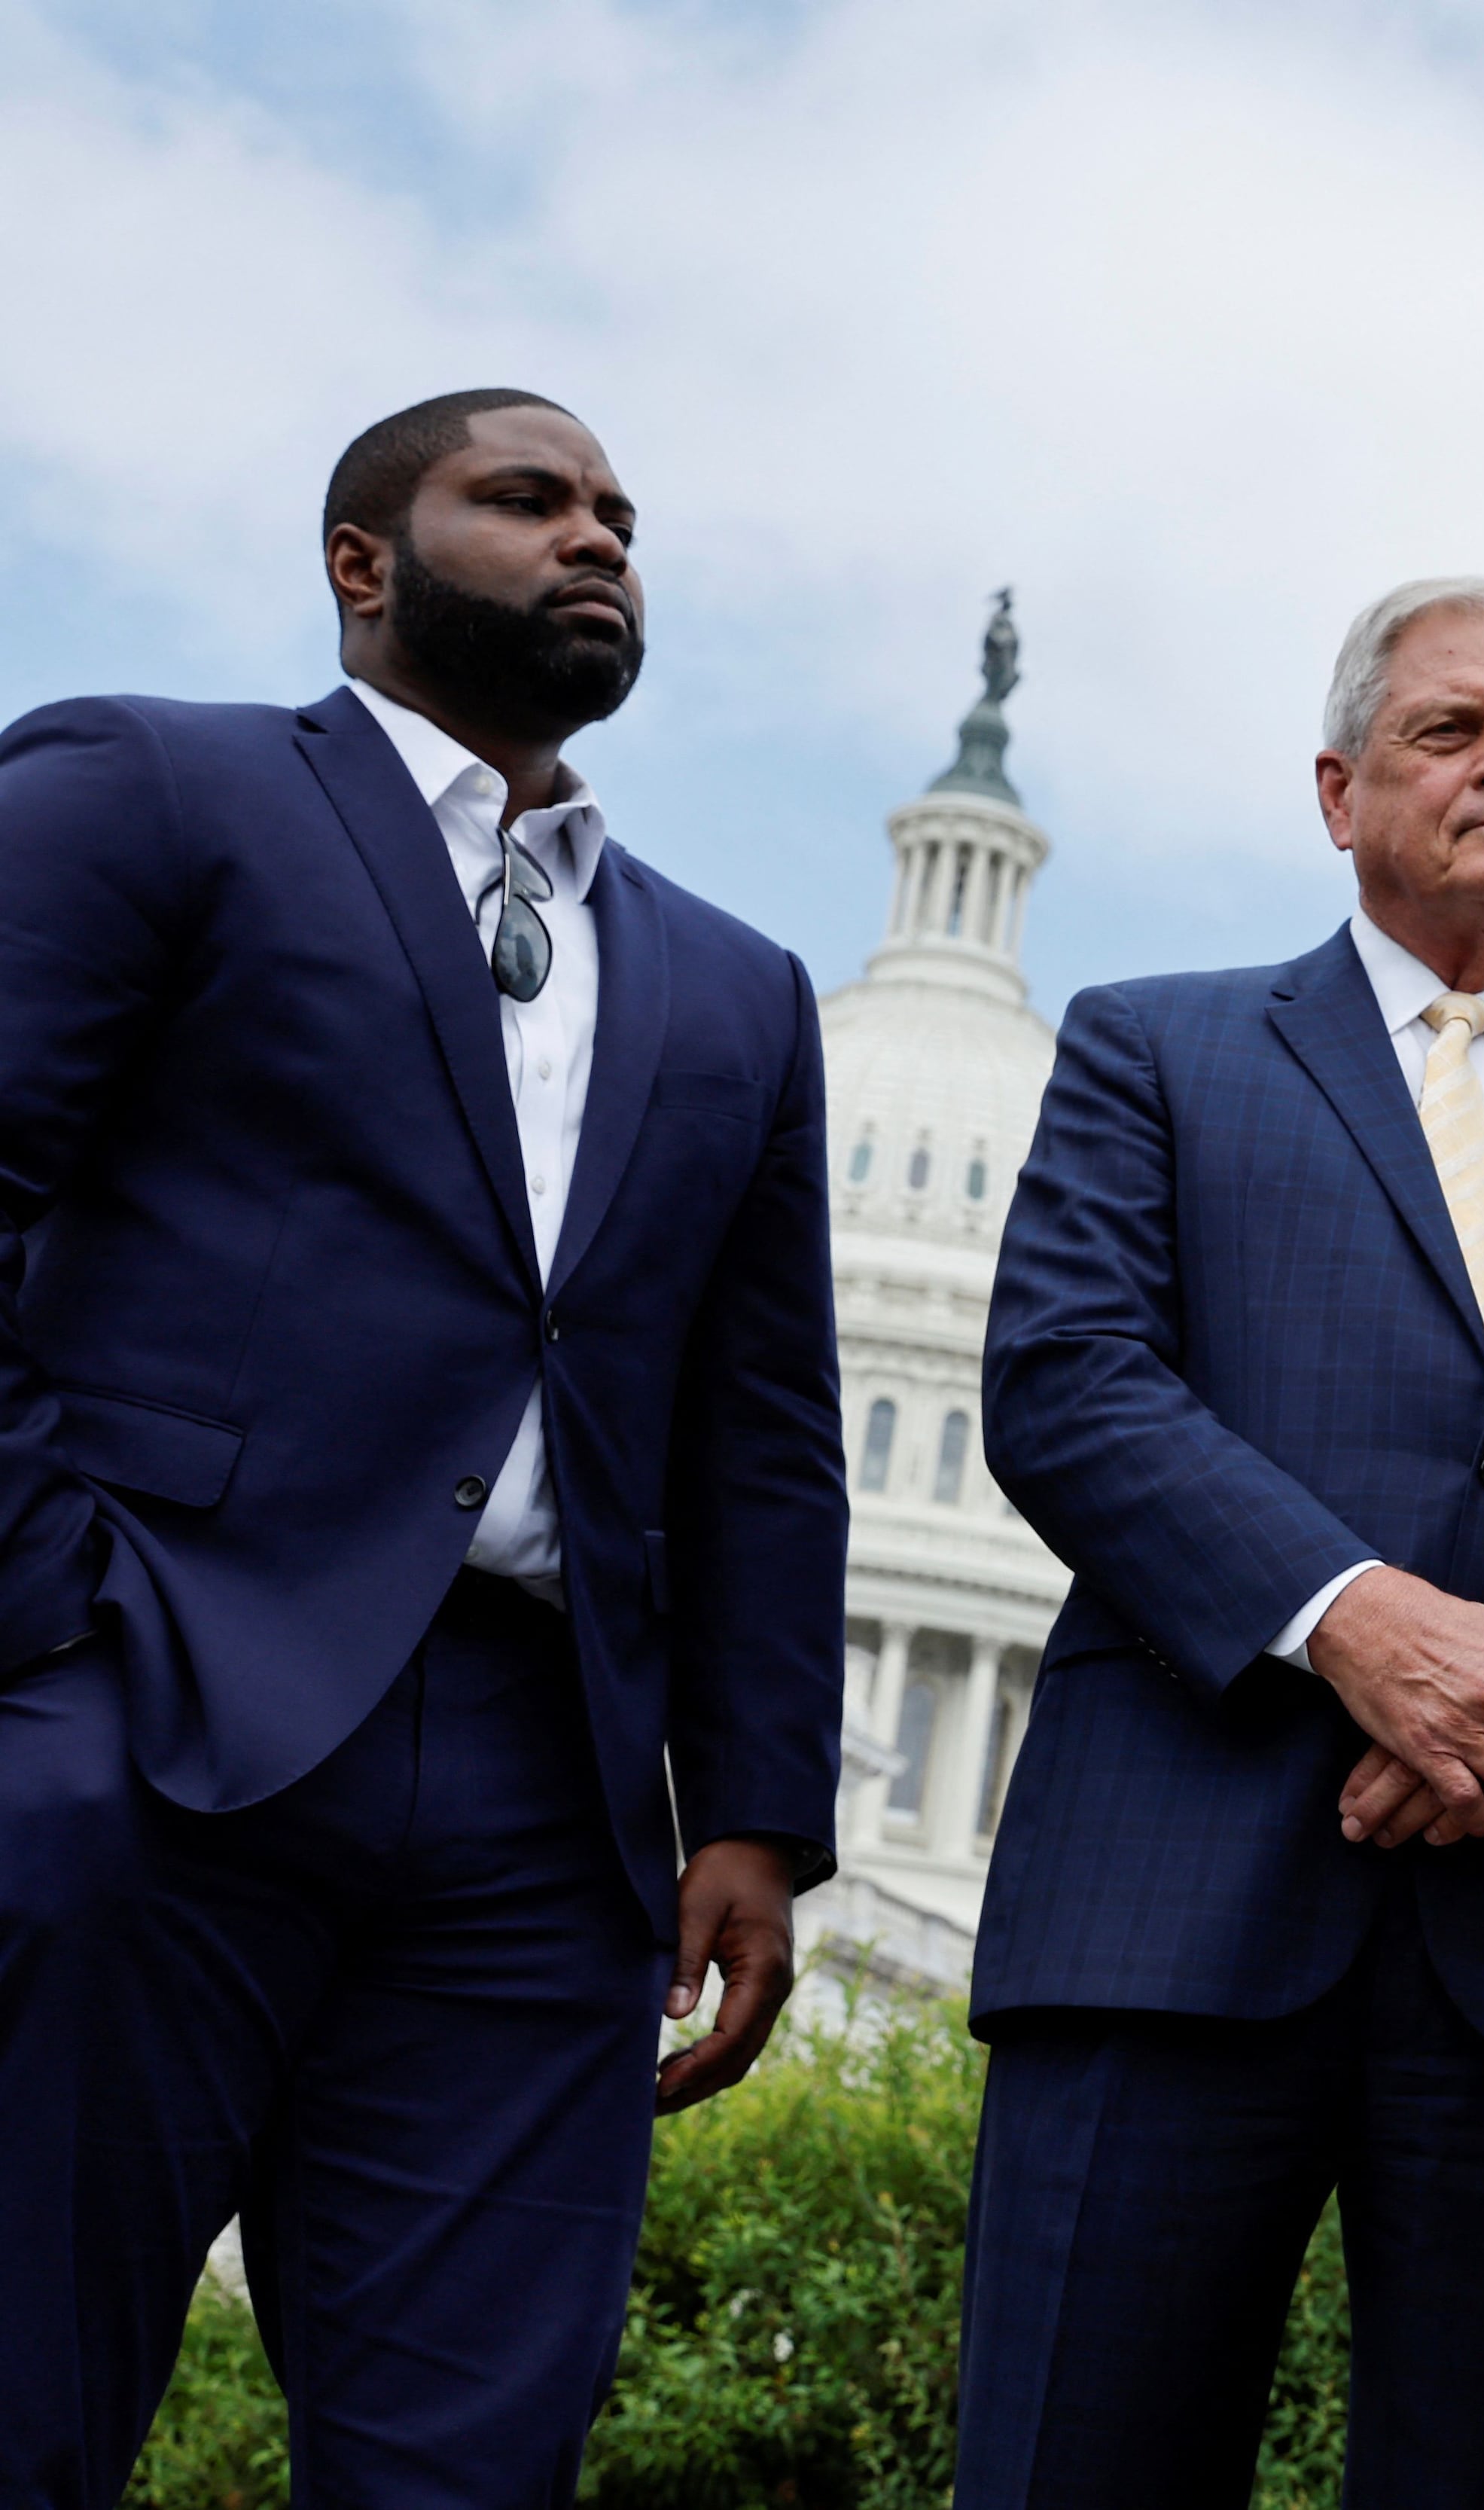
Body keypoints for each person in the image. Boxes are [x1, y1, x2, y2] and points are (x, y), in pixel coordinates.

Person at [0, 389, 847, 2505]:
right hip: (151, 1703)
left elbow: (760, 1428)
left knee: (468, 2461)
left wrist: (755, 1809)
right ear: (361, 562)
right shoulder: (152, 787)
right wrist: (47, 1633)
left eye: (621, 514)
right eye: (528, 497)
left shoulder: (739, 988)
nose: (598, 537)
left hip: (543, 1813)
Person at [958, 578, 1484, 2508]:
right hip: (1173, 1913)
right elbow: (1068, 1379)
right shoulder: (1159, 1045)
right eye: (1450, 729)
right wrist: (1353, 1619)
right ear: (1337, 789)